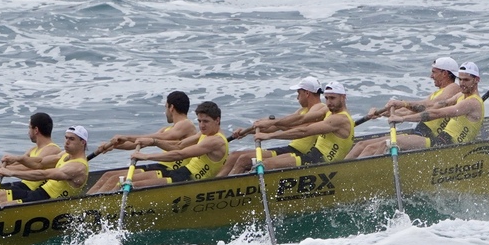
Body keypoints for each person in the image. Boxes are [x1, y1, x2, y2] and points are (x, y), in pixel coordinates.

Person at [93, 101, 228, 192]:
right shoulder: (204, 133)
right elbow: (179, 146)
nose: (201, 125)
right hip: (181, 172)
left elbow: (180, 154)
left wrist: (146, 156)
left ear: (217, 120)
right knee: (116, 180)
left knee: (132, 186)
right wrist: (154, 142)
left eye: (206, 121)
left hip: (190, 181)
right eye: (199, 121)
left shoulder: (215, 141)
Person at [225, 81, 354, 175]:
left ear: (343, 97)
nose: (329, 102)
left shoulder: (339, 119)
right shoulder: (328, 111)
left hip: (321, 162)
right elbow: (299, 120)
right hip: (311, 155)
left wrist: (269, 135)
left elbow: (304, 130)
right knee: (258, 163)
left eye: (332, 98)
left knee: (262, 164)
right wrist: (253, 129)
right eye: (327, 98)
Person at [347, 57, 463, 159]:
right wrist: (380, 113)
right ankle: (342, 171)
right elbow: (409, 111)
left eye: (434, 72)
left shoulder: (454, 88)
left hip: (428, 137)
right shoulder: (436, 93)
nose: (431, 76)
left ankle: (356, 173)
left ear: (445, 73)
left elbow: (431, 106)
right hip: (418, 132)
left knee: (372, 148)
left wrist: (404, 103)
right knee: (361, 145)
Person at [91, 90, 197, 192]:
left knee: (117, 180)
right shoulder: (166, 129)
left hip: (173, 171)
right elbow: (136, 144)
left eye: (166, 107)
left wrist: (127, 137)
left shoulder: (186, 124)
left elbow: (166, 136)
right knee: (108, 176)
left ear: (171, 107)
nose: (165, 112)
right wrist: (113, 145)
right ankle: (86, 200)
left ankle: (99, 204)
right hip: (161, 166)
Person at [377, 63, 485, 152]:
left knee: (386, 144)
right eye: (460, 79)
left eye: (466, 80)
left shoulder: (472, 102)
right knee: (375, 145)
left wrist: (402, 119)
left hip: (449, 147)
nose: (462, 83)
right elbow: (433, 107)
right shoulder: (460, 95)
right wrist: (402, 105)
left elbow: (437, 113)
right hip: (440, 141)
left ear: (476, 80)